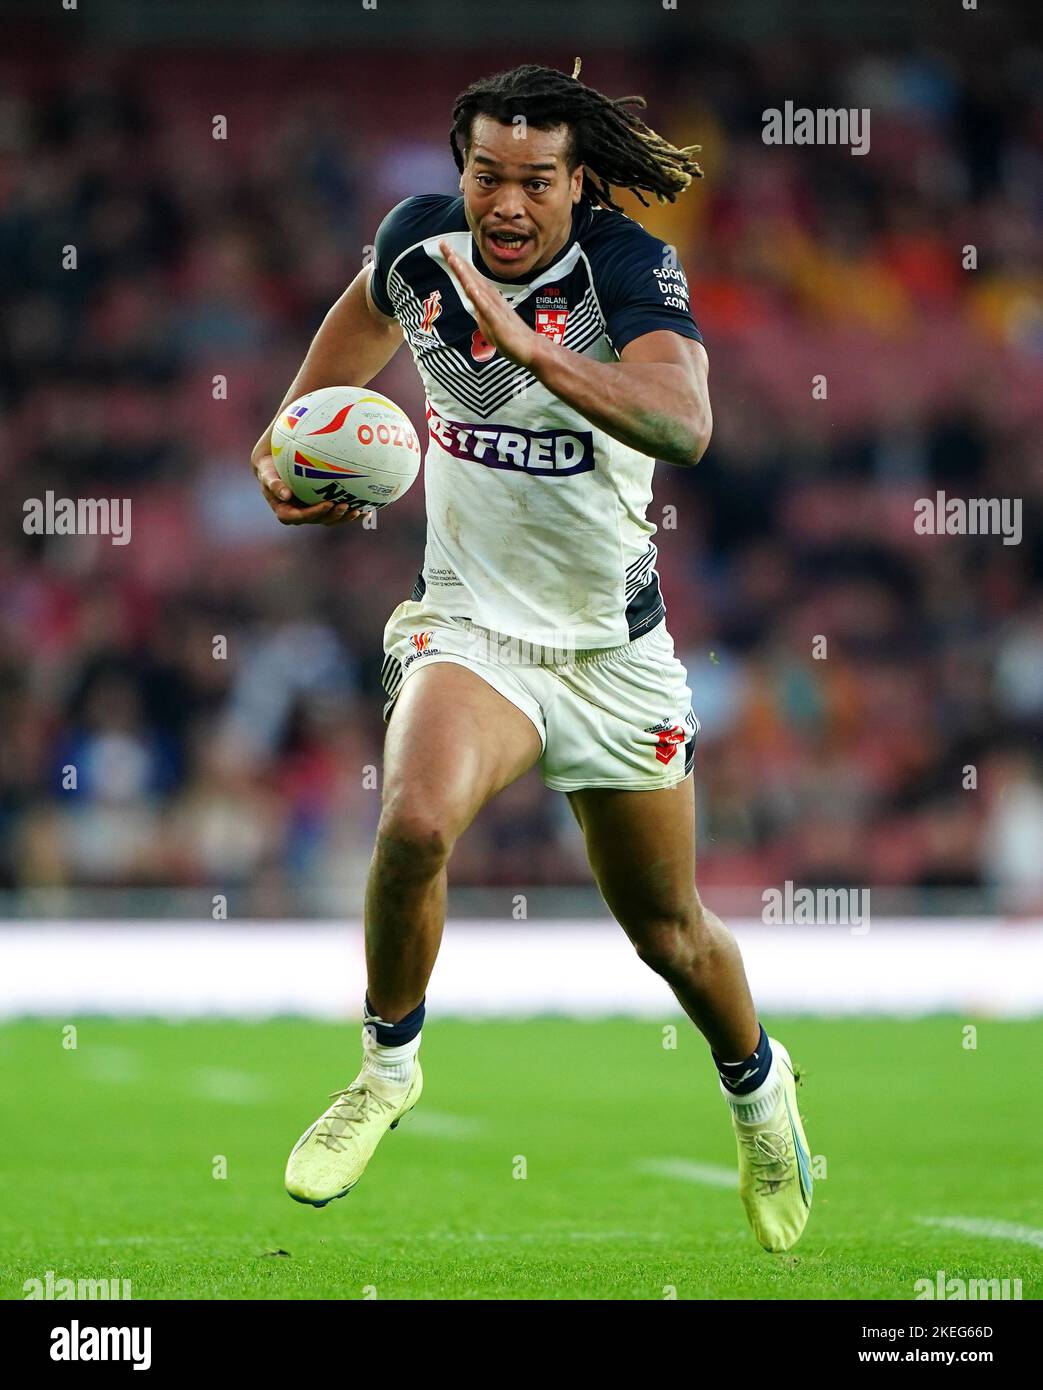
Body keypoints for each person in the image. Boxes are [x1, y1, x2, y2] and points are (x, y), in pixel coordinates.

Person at [251, 60, 812, 1253]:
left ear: (577, 184)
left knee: (667, 932)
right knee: (411, 823)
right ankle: (386, 1066)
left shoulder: (624, 267)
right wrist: (291, 435)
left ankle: (760, 1092)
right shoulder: (418, 245)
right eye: (486, 176)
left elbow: (684, 424)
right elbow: (363, 313)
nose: (505, 204)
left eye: (535, 182)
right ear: (459, 170)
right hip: (472, 630)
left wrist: (528, 345)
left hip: (612, 653)